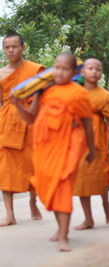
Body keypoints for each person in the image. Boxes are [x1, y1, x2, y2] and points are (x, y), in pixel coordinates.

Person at [12, 52, 96, 251]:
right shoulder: (43, 91)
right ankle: (60, 229)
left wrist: (91, 149)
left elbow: (87, 123)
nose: (59, 72)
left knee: (63, 188)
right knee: (48, 188)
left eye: (65, 68)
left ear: (73, 71)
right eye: (56, 67)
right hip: (44, 147)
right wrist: (16, 104)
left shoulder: (78, 93)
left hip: (69, 146)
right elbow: (32, 118)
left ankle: (64, 237)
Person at [73, 58, 109, 230]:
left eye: (97, 69)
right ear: (82, 72)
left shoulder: (105, 96)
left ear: (100, 74)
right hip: (78, 143)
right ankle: (88, 218)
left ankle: (106, 205)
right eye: (90, 68)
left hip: (97, 143)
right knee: (81, 181)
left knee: (101, 178)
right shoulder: (74, 93)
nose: (94, 71)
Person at [0, 33, 44, 226]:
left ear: (23, 47)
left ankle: (33, 201)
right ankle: (9, 214)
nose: (11, 50)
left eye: (14, 46)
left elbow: (44, 97)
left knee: (31, 166)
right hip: (6, 124)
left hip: (29, 120)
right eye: (7, 47)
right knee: (5, 169)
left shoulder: (35, 70)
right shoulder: (1, 73)